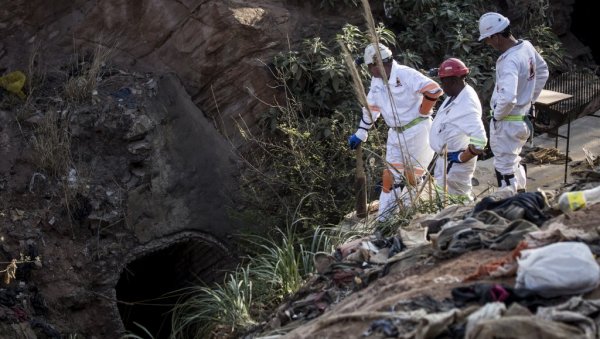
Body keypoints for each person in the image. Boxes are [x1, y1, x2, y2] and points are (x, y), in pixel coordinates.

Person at [348, 43, 443, 221]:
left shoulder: (405, 74)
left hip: (417, 131)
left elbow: (434, 89)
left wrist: (424, 110)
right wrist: (362, 131)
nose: (369, 70)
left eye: (369, 66)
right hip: (396, 133)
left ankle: (410, 215)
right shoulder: (377, 82)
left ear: (377, 64)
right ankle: (385, 220)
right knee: (389, 176)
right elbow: (371, 109)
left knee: (411, 178)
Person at [478, 12, 549, 192]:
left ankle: (510, 205)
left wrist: (497, 116)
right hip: (522, 119)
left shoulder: (509, 60)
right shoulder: (526, 47)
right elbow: (543, 72)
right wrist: (530, 99)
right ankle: (521, 195)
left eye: (488, 39)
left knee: (504, 168)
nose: (489, 44)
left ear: (496, 36)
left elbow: (508, 97)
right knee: (514, 161)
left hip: (508, 124)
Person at [429, 58, 487, 202]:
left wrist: (461, 157)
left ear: (453, 81)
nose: (442, 86)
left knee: (459, 202)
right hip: (446, 160)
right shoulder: (457, 94)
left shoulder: (466, 104)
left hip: (454, 163)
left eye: (443, 82)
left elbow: (480, 140)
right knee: (444, 199)